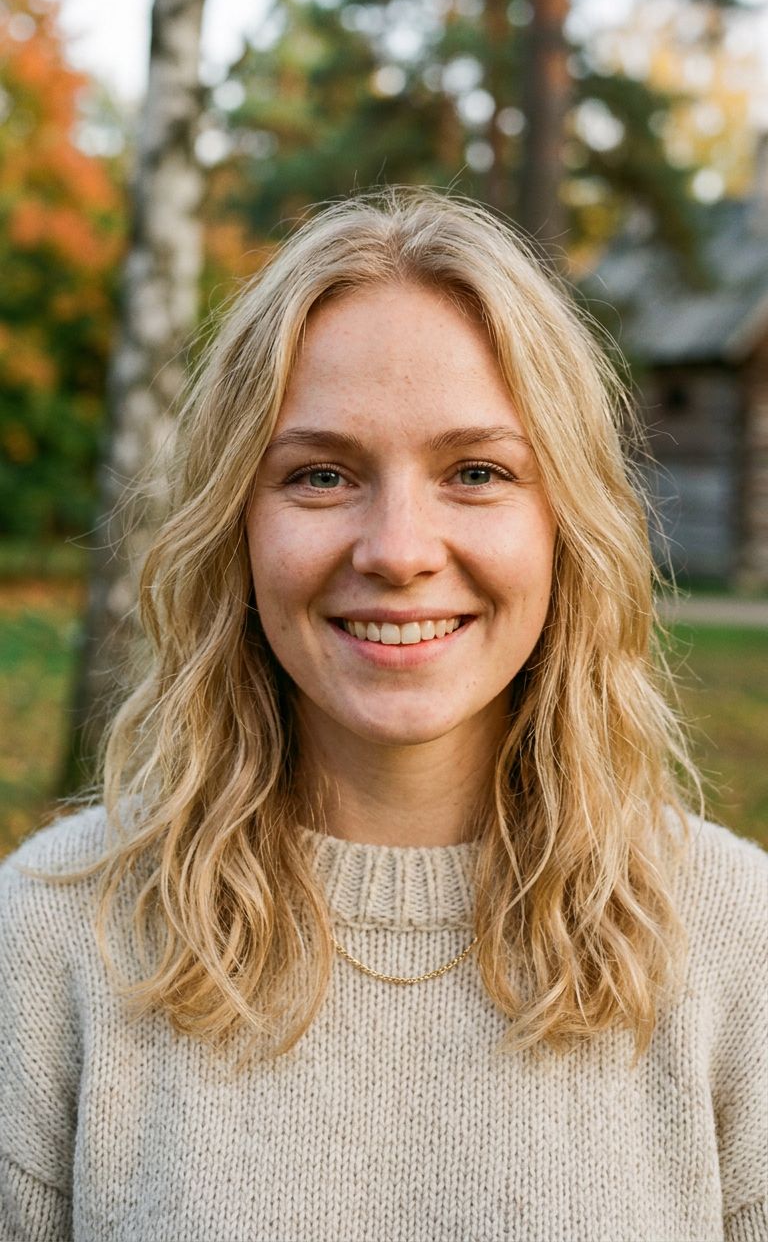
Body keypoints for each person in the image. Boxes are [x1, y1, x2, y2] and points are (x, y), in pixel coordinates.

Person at [0, 190, 765, 1242]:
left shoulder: (735, 942)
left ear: (567, 522)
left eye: (477, 472)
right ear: (236, 524)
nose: (398, 548)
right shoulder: (50, 938)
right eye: (321, 474)